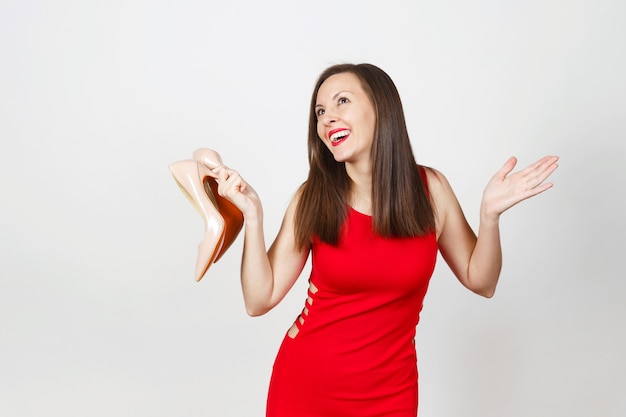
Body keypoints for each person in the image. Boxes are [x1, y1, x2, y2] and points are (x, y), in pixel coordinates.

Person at [210, 63, 558, 417]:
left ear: (381, 107)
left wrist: (489, 216)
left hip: (392, 394)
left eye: (341, 101)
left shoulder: (432, 191)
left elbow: (482, 281)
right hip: (307, 387)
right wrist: (253, 215)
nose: (327, 118)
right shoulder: (313, 197)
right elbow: (258, 299)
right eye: (320, 112)